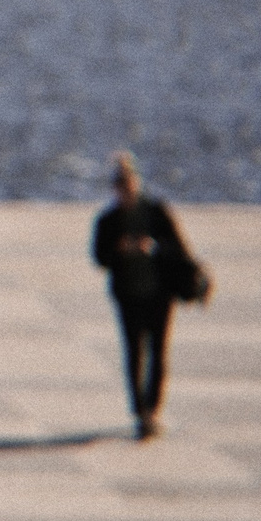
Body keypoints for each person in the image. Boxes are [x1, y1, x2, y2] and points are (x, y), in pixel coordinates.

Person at [91, 151, 198, 439]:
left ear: (136, 182)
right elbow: (99, 257)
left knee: (158, 352)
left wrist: (152, 247)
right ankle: (140, 411)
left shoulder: (155, 212)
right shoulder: (108, 220)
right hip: (128, 296)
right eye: (120, 185)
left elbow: (179, 249)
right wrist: (119, 250)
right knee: (134, 352)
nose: (125, 189)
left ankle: (152, 408)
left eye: (129, 183)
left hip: (160, 294)